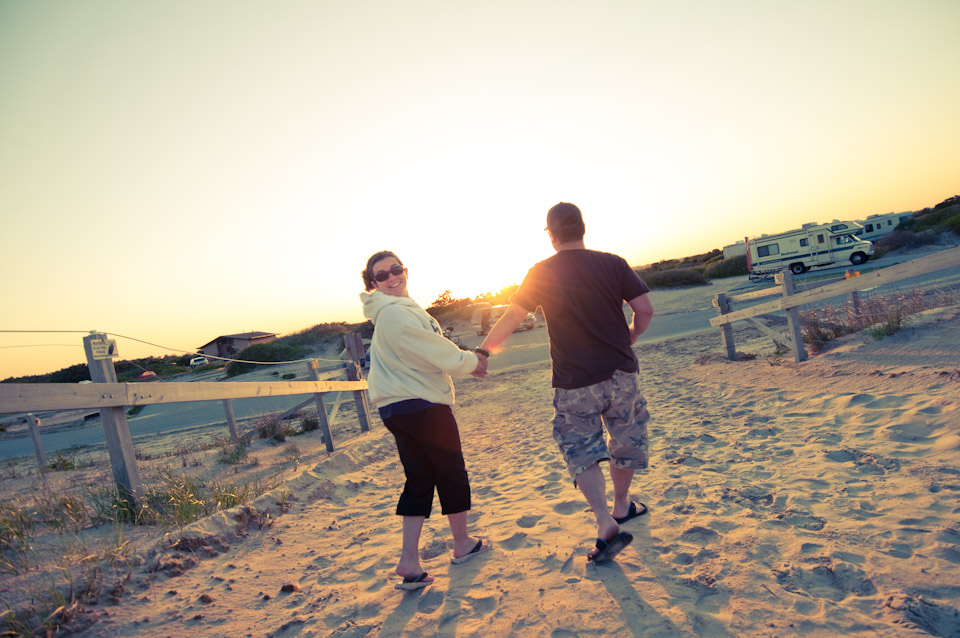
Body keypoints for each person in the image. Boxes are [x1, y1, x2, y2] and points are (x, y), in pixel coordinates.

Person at [475, 202, 654, 563]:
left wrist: (483, 351)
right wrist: (632, 334)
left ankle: (605, 520)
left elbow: (513, 315)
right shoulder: (614, 263)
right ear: (583, 229)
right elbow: (645, 308)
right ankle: (622, 505)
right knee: (626, 438)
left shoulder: (541, 272)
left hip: (574, 381)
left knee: (579, 447)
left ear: (551, 236)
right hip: (621, 373)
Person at [360, 250, 491, 590]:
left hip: (398, 408)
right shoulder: (393, 314)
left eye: (396, 269)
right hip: (419, 404)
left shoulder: (392, 312)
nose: (392, 277)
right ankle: (462, 544)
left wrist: (461, 362)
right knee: (450, 471)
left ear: (405, 270)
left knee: (419, 479)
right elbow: (432, 348)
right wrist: (471, 361)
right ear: (373, 284)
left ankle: (409, 562)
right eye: (382, 275)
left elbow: (423, 351)